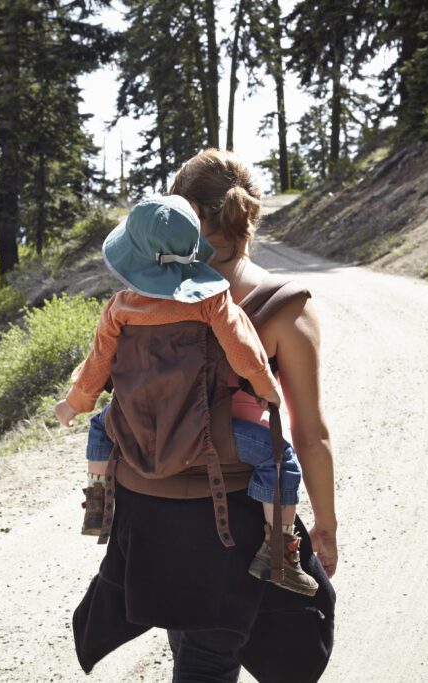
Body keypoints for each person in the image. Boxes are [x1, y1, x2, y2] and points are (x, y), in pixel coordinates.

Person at [72, 149, 338, 683]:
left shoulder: (139, 294)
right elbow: (309, 434)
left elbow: (109, 389)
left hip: (148, 505)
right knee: (212, 658)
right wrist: (325, 527)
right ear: (249, 215)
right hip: (235, 515)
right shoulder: (286, 305)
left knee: (195, 651)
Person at [55, 192, 319, 596]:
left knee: (99, 427)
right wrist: (269, 393)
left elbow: (96, 369)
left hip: (134, 426)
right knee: (279, 459)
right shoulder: (213, 301)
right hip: (209, 433)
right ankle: (278, 549)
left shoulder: (118, 309)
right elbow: (246, 355)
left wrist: (73, 404)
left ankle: (98, 498)